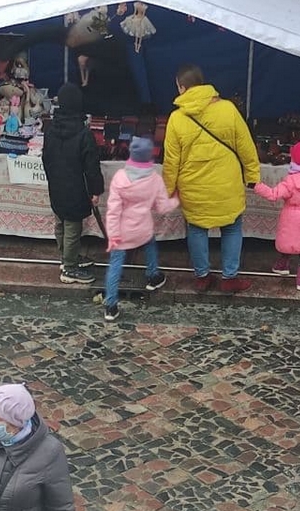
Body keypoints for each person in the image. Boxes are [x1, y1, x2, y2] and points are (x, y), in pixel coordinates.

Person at [162, 64, 260, 293]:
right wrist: (252, 175)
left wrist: (168, 190)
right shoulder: (228, 109)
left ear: (182, 87)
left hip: (193, 187)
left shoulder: (176, 118)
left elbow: (171, 161)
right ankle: (229, 278)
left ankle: (202, 277)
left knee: (197, 229)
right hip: (227, 185)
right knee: (232, 228)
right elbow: (246, 147)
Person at [103, 136, 181, 322]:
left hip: (122, 232)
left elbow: (113, 211)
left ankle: (111, 306)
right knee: (150, 244)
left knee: (115, 265)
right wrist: (176, 200)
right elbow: (162, 207)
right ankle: (153, 276)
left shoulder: (120, 178)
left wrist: (113, 235)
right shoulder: (155, 180)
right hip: (143, 229)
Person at [41, 83, 104, 284]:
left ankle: (67, 257)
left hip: (56, 185)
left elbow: (45, 158)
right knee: (73, 226)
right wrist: (96, 190)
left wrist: (52, 178)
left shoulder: (51, 129)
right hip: (76, 188)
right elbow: (91, 167)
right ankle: (69, 268)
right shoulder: (84, 134)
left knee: (60, 221)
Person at [253, 139, 300, 291]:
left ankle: (282, 265)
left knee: (289, 242)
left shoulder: (291, 181)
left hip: (292, 216)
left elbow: (273, 195)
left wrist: (256, 186)